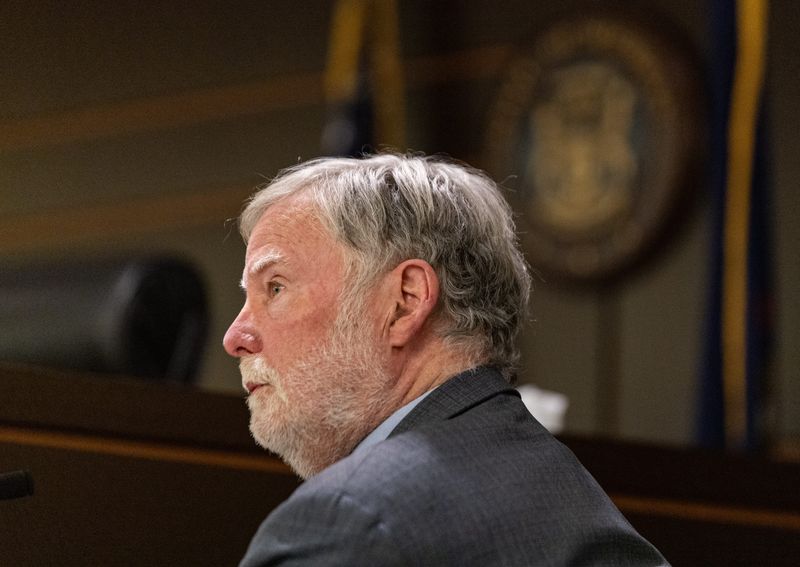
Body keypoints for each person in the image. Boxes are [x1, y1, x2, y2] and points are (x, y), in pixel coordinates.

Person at [223, 153, 668, 566]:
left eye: (275, 288)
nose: (235, 337)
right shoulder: (565, 492)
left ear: (405, 302)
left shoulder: (348, 524)